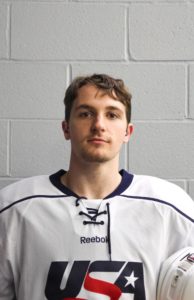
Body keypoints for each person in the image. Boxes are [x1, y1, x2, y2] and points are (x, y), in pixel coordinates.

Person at [0, 73, 194, 300]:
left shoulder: (171, 208)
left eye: (112, 115)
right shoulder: (14, 207)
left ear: (127, 132)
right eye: (85, 113)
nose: (99, 125)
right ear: (66, 128)